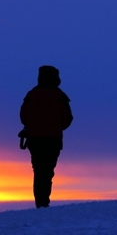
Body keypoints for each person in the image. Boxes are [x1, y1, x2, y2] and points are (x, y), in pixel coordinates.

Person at [19, 65, 73, 208]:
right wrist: (56, 127)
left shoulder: (31, 94)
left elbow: (23, 116)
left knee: (38, 170)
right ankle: (43, 202)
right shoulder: (60, 95)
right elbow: (68, 118)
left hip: (34, 139)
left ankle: (40, 202)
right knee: (47, 170)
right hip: (52, 139)